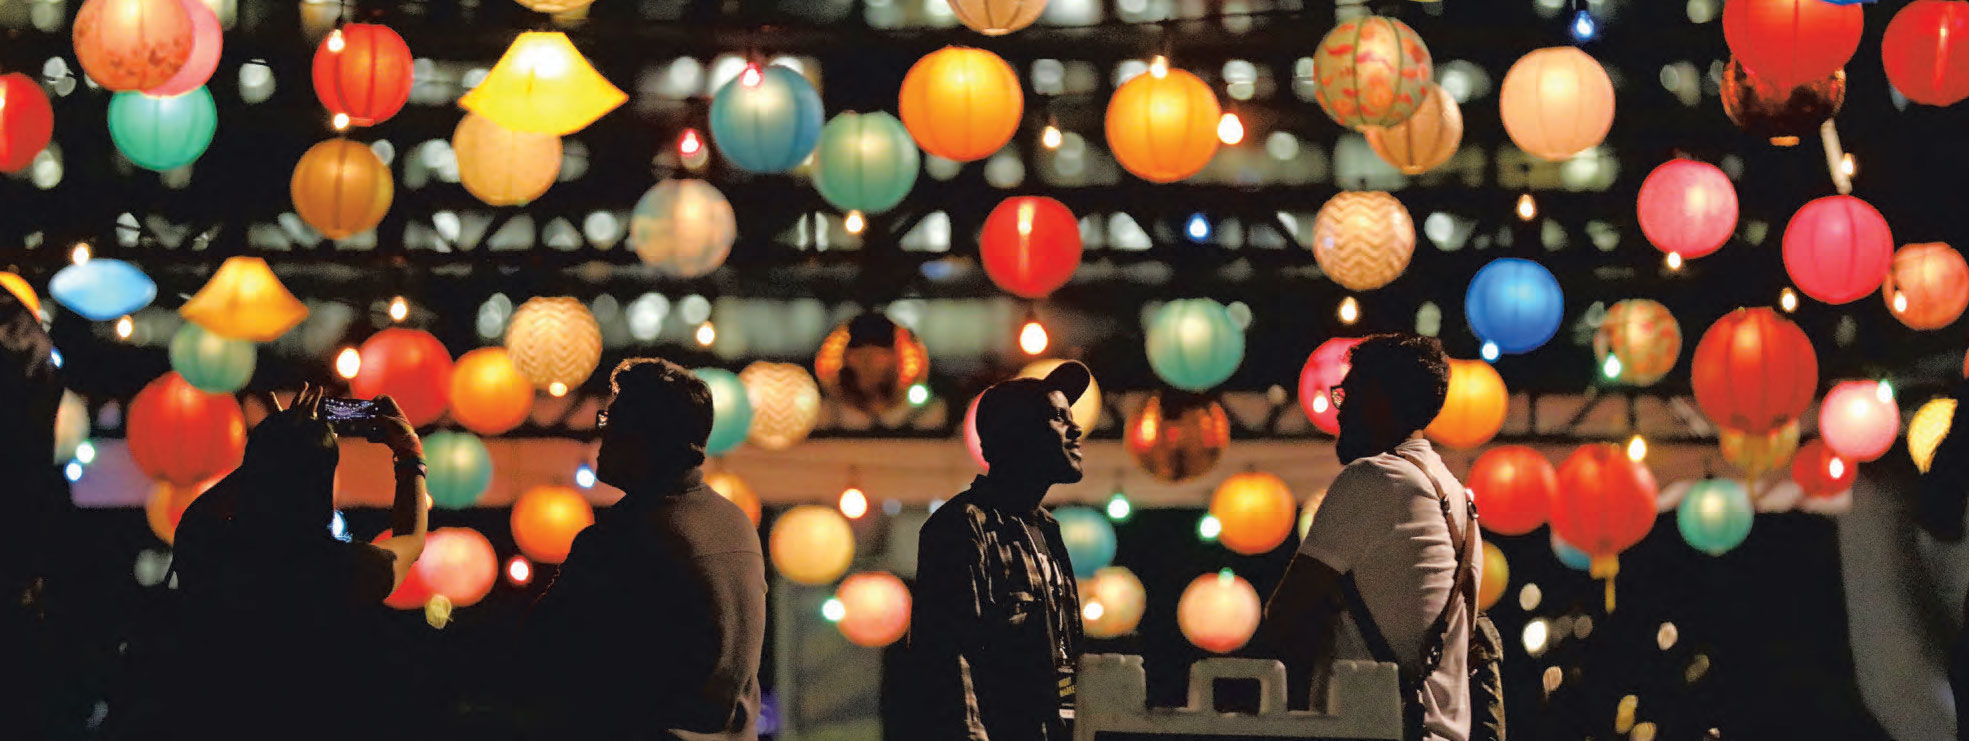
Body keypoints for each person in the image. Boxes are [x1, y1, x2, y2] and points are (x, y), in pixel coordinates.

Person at [1260, 333, 1497, 741]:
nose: (1341, 411)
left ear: (1380, 400)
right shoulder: (1459, 499)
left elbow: (1283, 614)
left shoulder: (1373, 479)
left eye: (1348, 395)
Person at [161, 384, 429, 737]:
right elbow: (411, 539)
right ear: (324, 482)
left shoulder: (207, 548)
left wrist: (278, 444)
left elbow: (202, 512)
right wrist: (409, 453)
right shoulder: (345, 569)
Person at [525, 357, 766, 740]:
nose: (602, 434)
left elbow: (541, 653)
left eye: (612, 421)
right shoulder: (735, 522)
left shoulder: (625, 535)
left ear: (645, 436)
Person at [904, 361, 1091, 740]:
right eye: (1058, 418)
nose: (1077, 429)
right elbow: (947, 659)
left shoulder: (1049, 530)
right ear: (1017, 435)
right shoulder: (961, 525)